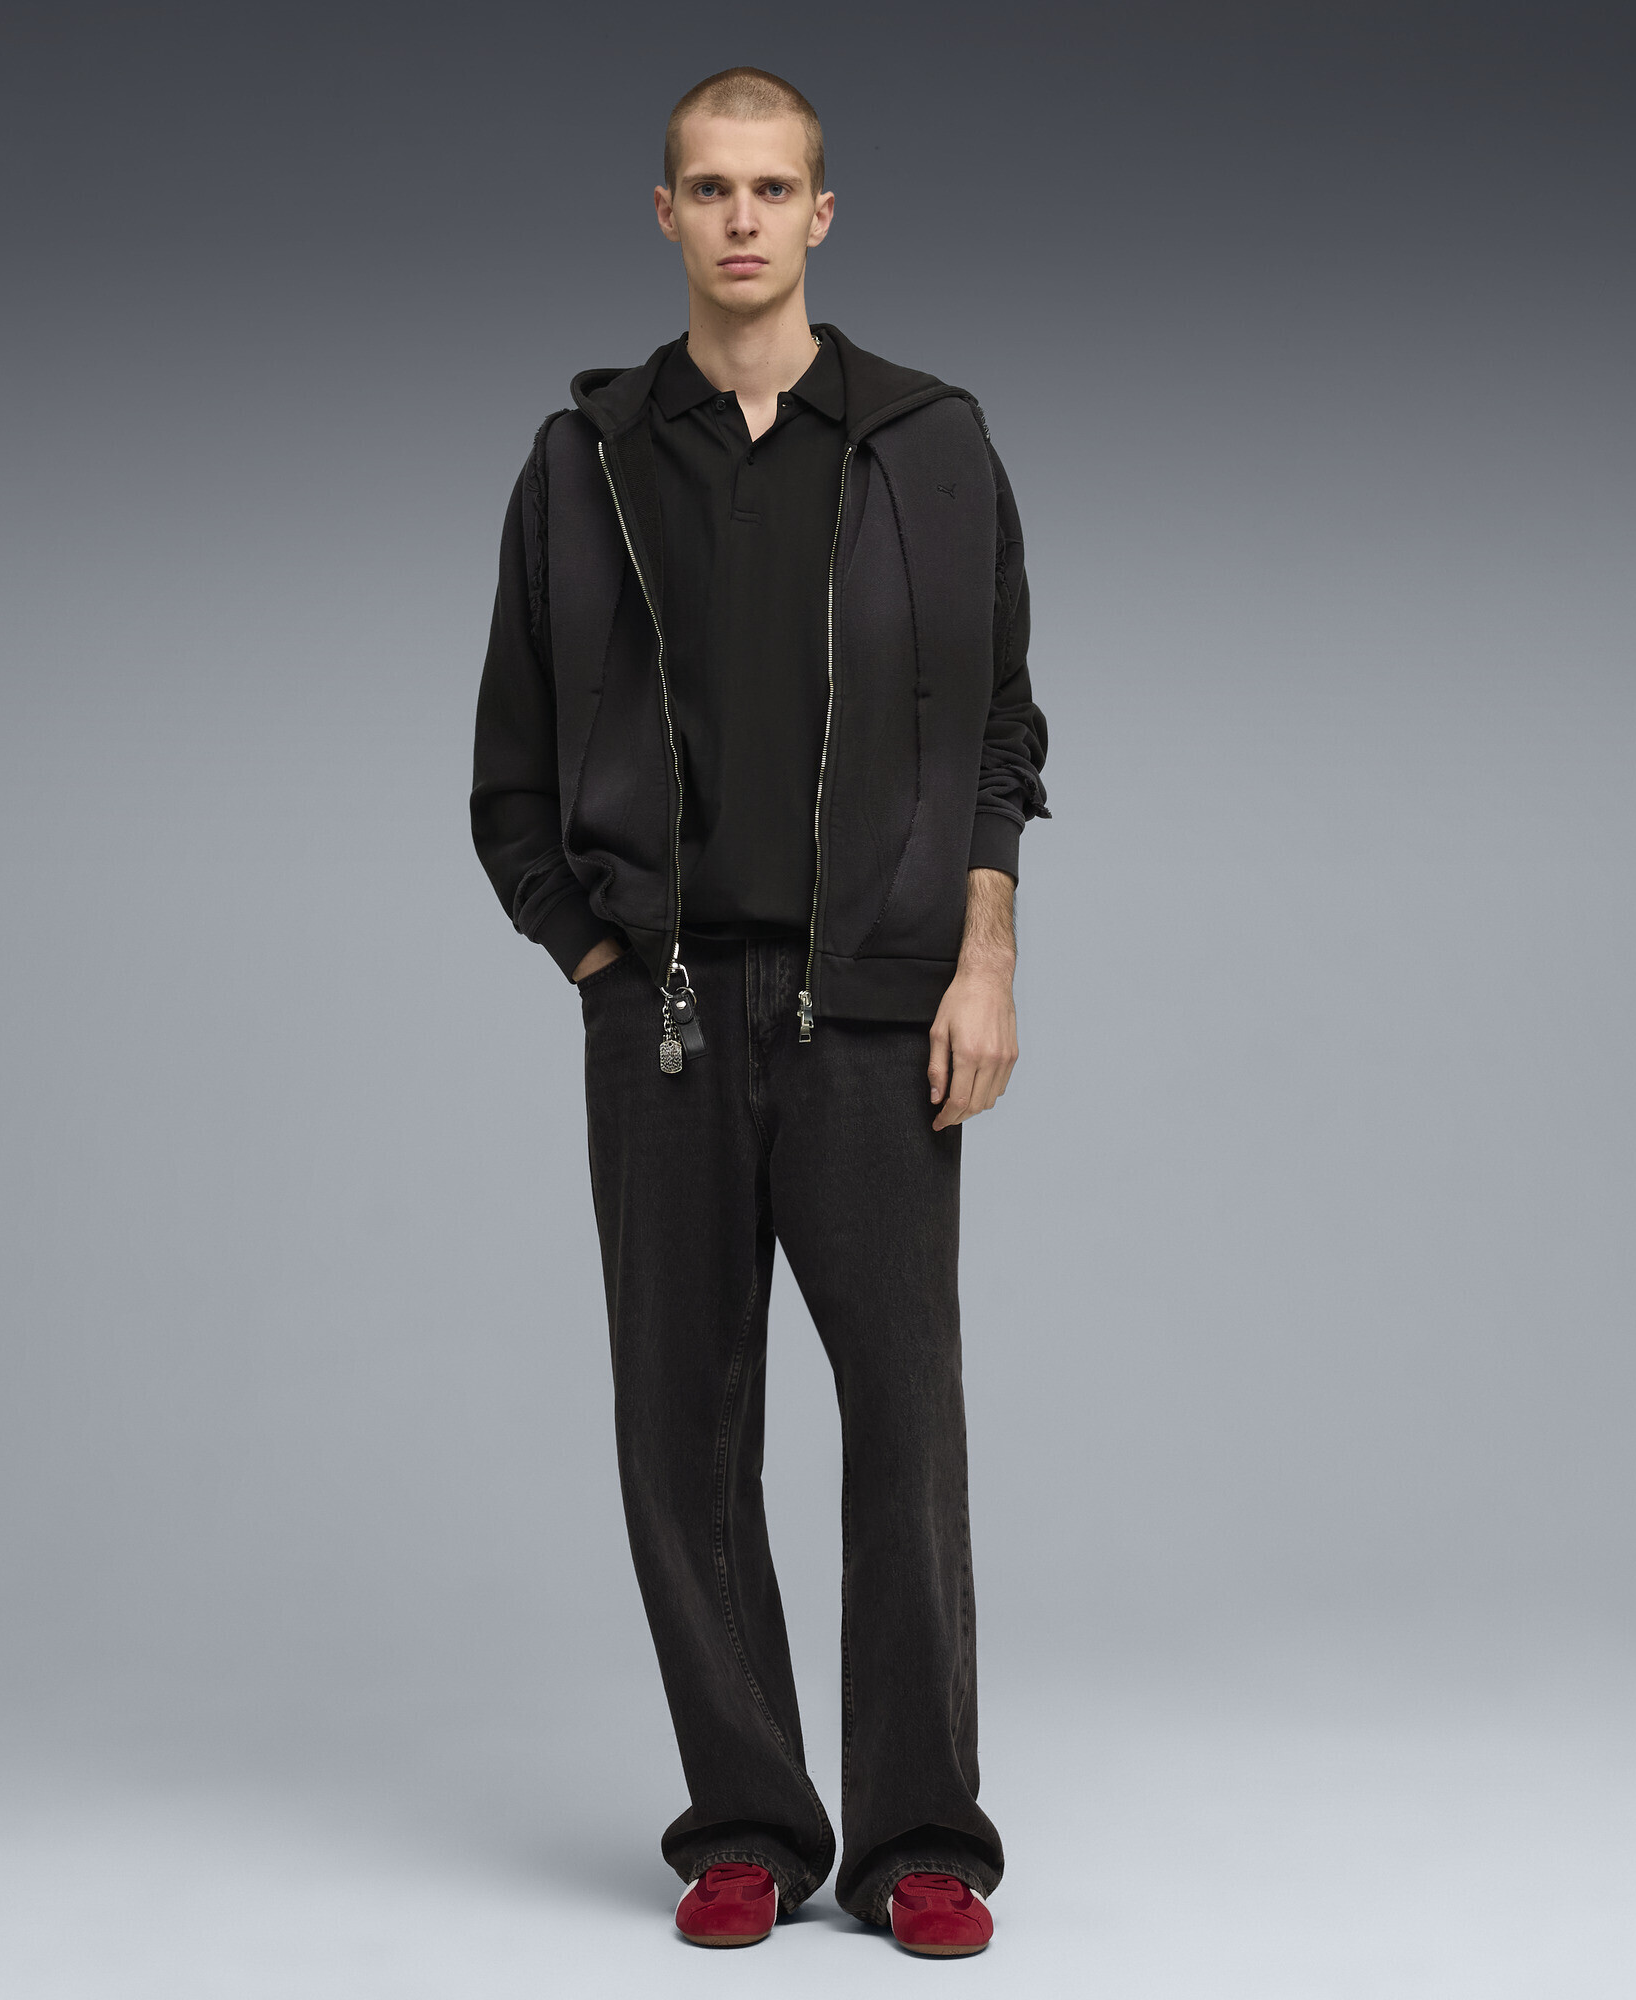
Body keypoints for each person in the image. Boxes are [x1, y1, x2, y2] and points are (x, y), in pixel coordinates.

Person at [470, 65, 1048, 1959]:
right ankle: (746, 1822)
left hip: (876, 1012)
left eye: (772, 187)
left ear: (821, 213)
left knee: (905, 1428)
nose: (740, 218)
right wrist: (591, 951)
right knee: (682, 1433)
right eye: (709, 188)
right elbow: (507, 771)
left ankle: (922, 1841)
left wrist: (984, 955)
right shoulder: (581, 461)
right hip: (663, 1019)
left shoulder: (933, 447)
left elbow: (1000, 732)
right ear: (665, 214)